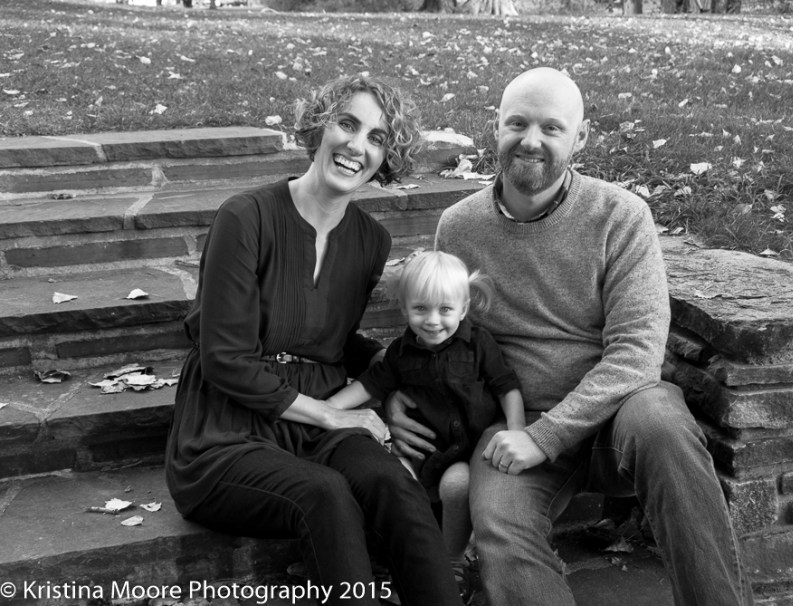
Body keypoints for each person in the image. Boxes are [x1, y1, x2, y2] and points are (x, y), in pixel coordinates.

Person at [386, 67, 754, 606]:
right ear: (496, 127)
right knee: (498, 521)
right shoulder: (459, 226)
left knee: (663, 424)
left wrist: (547, 436)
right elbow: (441, 335)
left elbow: (637, 354)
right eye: (517, 123)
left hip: (619, 414)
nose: (530, 140)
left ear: (579, 138)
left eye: (551, 128)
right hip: (515, 421)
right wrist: (401, 393)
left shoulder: (621, 216)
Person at [164, 75, 462, 606]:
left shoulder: (371, 240)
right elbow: (225, 359)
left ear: (386, 157)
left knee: (394, 485)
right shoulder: (246, 217)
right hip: (226, 427)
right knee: (324, 494)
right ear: (319, 127)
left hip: (318, 414)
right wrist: (331, 415)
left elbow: (333, 339)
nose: (357, 146)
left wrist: (392, 380)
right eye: (347, 124)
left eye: (377, 138)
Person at [319, 250, 525, 601]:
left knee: (457, 486)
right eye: (420, 309)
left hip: (462, 450)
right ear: (404, 308)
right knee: (392, 481)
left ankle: (452, 559)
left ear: (463, 308)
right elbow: (371, 384)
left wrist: (516, 428)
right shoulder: (401, 352)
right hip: (416, 449)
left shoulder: (478, 345)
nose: (432, 321)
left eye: (445, 309)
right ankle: (397, 558)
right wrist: (327, 409)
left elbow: (506, 386)